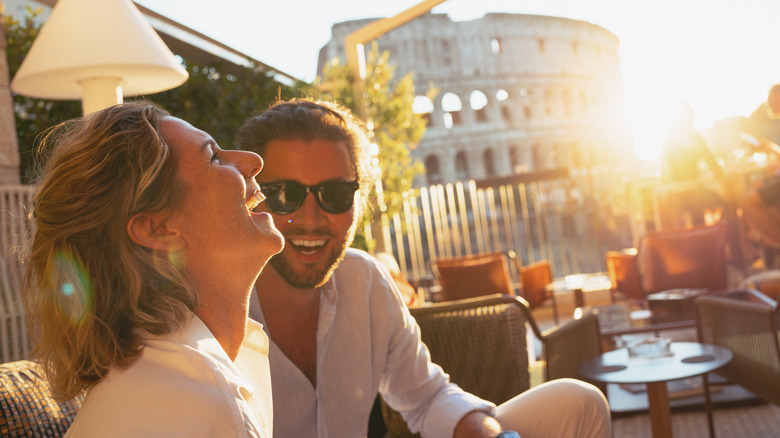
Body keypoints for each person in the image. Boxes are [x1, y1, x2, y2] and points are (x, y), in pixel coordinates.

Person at [237, 98, 611, 438]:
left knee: (578, 401)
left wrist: (489, 435)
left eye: (333, 194)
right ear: (250, 198)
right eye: (284, 194)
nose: (312, 218)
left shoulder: (363, 280)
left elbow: (427, 397)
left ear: (358, 200)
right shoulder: (214, 307)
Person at [23, 101, 284, 437]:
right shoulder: (201, 402)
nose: (253, 161)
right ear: (157, 229)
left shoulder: (170, 379)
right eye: (213, 158)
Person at [657, 100, 728, 230]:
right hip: (690, 192)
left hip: (670, 195)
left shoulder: (667, 138)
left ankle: (687, 240)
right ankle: (718, 239)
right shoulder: (694, 135)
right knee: (727, 202)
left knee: (697, 202)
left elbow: (664, 175)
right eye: (691, 115)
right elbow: (713, 165)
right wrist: (721, 177)